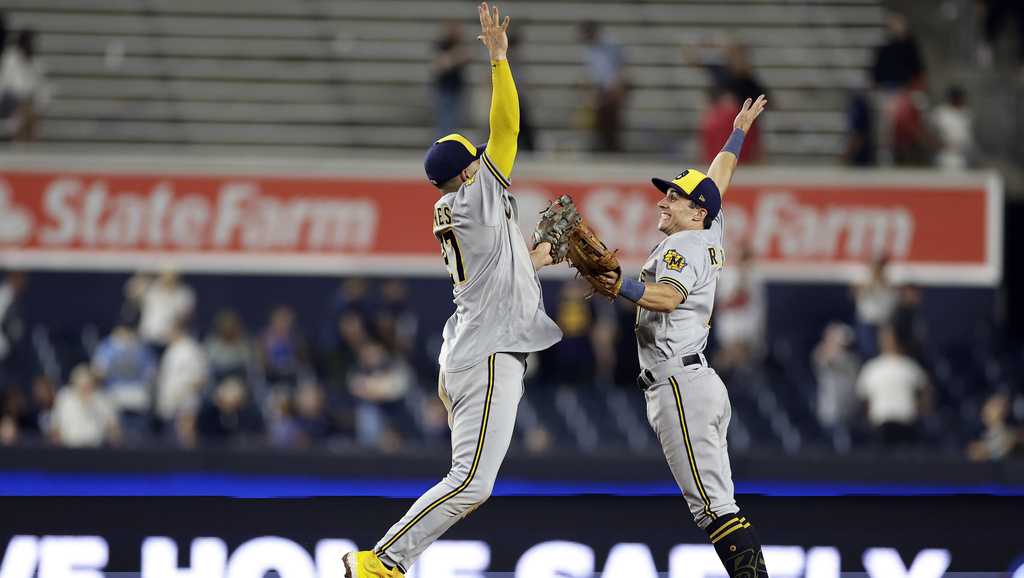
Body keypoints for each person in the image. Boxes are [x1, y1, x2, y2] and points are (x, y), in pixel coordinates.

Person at [343, 4, 563, 576]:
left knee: (472, 483)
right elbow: (509, 128)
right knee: (469, 482)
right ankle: (381, 562)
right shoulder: (476, 197)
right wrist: (498, 61)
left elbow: (508, 268)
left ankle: (384, 561)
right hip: (488, 353)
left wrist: (544, 254)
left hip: (473, 346)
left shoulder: (463, 209)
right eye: (478, 162)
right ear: (468, 172)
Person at [586, 94, 768, 577]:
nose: (662, 201)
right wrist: (738, 132)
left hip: (679, 386)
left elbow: (666, 298)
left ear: (695, 213)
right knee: (719, 504)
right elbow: (719, 178)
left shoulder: (682, 245)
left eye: (674, 197)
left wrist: (618, 284)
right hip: (692, 381)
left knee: (714, 510)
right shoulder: (708, 229)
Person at [856, 325, 930, 446]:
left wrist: (921, 411)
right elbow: (864, 399)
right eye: (884, 338)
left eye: (890, 337)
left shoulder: (909, 366)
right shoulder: (872, 368)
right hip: (881, 425)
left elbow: (925, 392)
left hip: (907, 424)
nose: (888, 341)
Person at [579, 20, 628, 152]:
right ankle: (603, 148)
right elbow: (591, 72)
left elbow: (620, 67)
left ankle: (613, 149)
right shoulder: (589, 50)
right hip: (599, 89)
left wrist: (618, 88)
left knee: (612, 123)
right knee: (599, 122)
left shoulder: (611, 45)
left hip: (612, 88)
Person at [49, 365, 121, 448]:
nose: (86, 388)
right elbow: (55, 426)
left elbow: (113, 427)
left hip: (96, 448)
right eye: (82, 385)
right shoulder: (65, 397)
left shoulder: (102, 399)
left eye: (89, 384)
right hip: (69, 448)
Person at [0, 28, 52, 142]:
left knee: (33, 110)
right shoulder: (9, 59)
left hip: (28, 104)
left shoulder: (37, 63)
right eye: (31, 42)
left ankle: (28, 143)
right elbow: (7, 85)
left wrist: (37, 102)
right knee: (25, 110)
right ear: (23, 43)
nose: (33, 46)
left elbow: (44, 88)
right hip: (8, 101)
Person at [433, 21, 470, 137]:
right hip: (445, 88)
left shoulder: (459, 44)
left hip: (457, 87)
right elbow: (440, 64)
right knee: (445, 120)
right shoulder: (443, 44)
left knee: (454, 120)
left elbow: (467, 56)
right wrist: (456, 56)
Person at [931, 86, 975, 170]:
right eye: (959, 97)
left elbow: (968, 136)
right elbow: (930, 132)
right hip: (945, 155)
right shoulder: (940, 112)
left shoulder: (967, 113)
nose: (962, 100)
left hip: (963, 156)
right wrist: (936, 144)